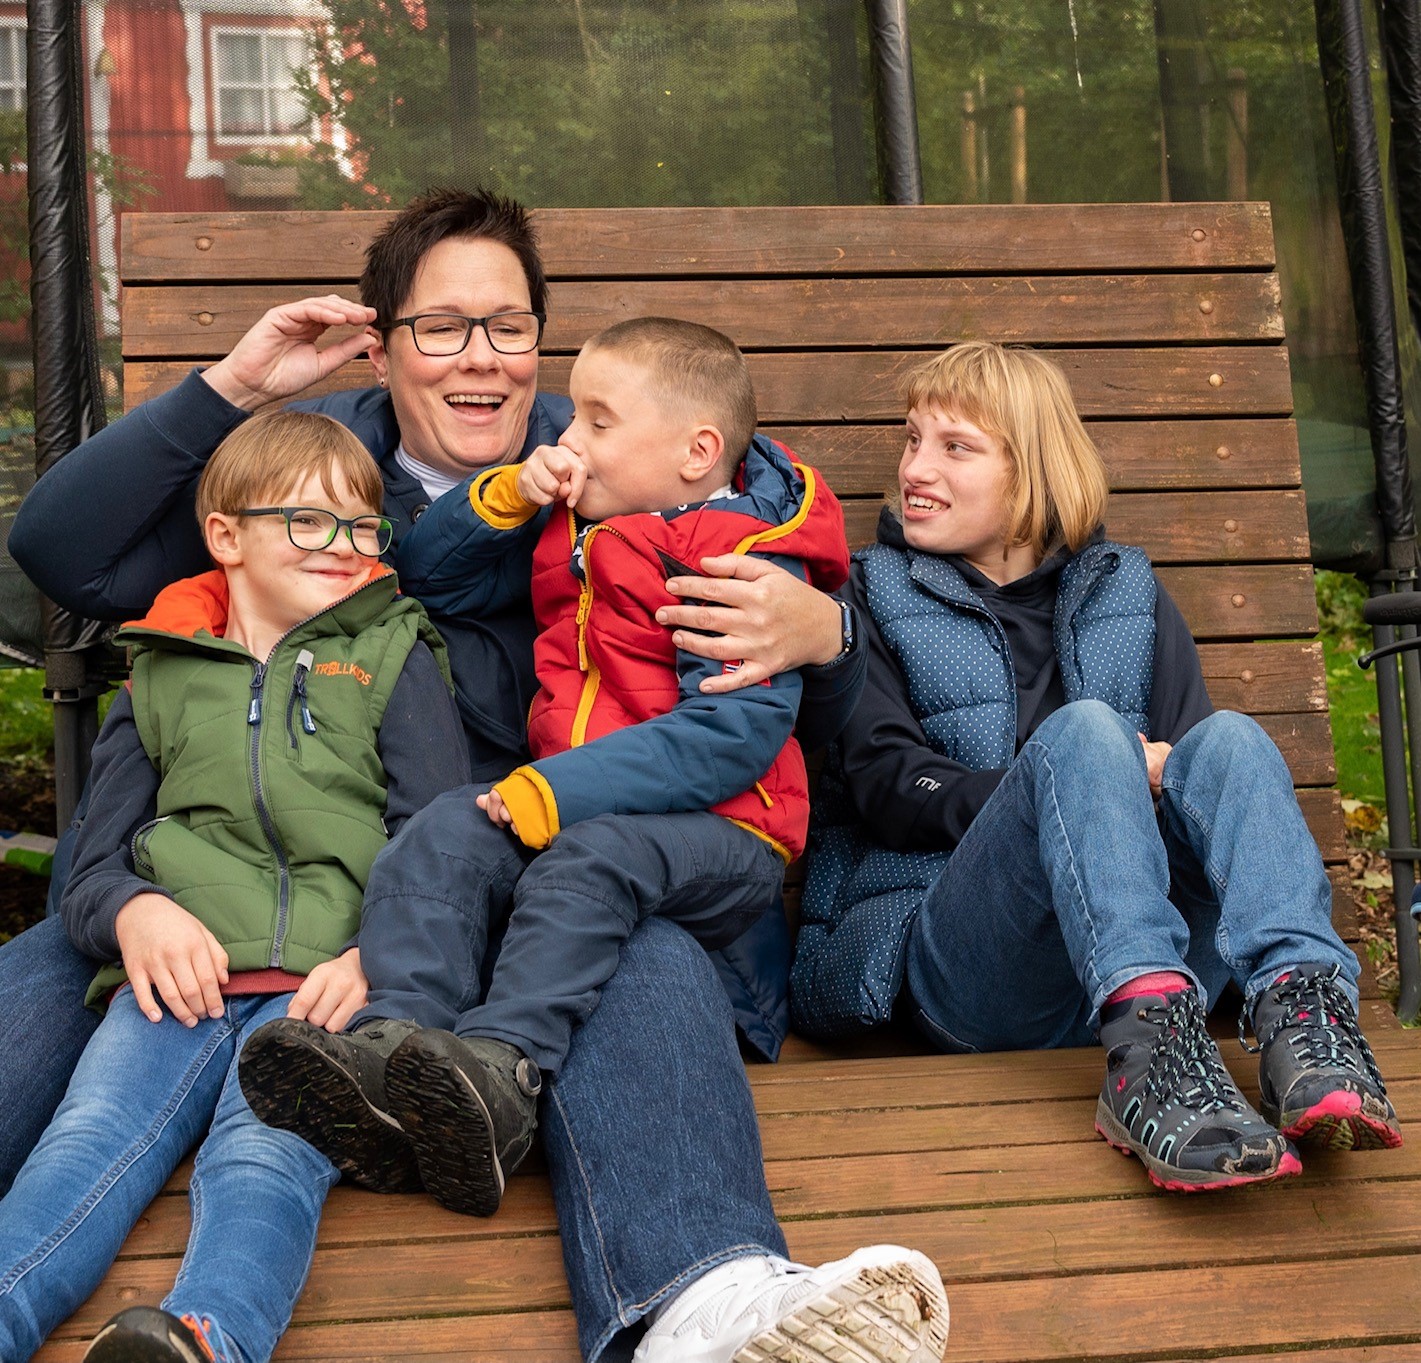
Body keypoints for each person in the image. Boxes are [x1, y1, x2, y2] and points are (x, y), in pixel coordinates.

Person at [7, 188, 949, 1363]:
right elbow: (60, 549)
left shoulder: (616, 455)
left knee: (629, 933)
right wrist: (239, 387)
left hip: (545, 896)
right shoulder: (317, 484)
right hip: (275, 906)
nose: (480, 361)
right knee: (70, 954)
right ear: (382, 341)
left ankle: (706, 1298)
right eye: (441, 327)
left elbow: (775, 592)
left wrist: (828, 633)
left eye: (506, 326)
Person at [239, 317, 853, 1222]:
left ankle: (499, 1070)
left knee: (588, 861)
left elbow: (729, 740)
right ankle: (390, 1045)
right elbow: (424, 577)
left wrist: (554, 789)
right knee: (448, 827)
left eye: (596, 422)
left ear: (696, 452)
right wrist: (505, 496)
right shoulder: (579, 520)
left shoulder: (736, 563)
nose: (567, 438)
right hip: (579, 813)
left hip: (727, 833)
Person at [792, 341, 1402, 1194]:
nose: (914, 469)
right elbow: (891, 786)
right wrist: (1074, 775)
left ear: (1032, 469)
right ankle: (1146, 1054)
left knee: (1227, 741)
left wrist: (1137, 774)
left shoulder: (1127, 589)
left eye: (953, 446)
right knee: (1086, 735)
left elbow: (1194, 778)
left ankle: (1305, 1013)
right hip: (970, 964)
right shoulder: (867, 594)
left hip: (1154, 945)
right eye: (910, 440)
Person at [0, 411, 470, 1362]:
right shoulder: (161, 672)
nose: (342, 548)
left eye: (361, 527)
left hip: (323, 995)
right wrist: (137, 908)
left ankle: (210, 1340)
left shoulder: (391, 651)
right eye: (307, 522)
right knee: (88, 1137)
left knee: (264, 1158)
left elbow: (440, 839)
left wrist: (377, 956)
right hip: (176, 983)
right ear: (226, 536)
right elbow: (93, 863)